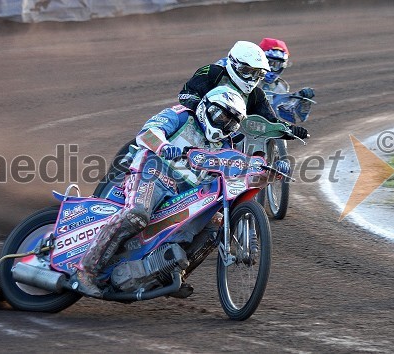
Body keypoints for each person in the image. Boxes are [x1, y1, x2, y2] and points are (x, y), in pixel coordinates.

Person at [73, 86, 280, 297]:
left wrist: (270, 169)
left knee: (216, 226)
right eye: (219, 115)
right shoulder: (181, 116)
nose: (223, 123)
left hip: (184, 193)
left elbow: (236, 170)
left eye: (230, 122)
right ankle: (86, 271)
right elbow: (147, 133)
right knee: (137, 215)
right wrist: (163, 146)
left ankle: (170, 274)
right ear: (205, 107)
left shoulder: (226, 145)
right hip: (153, 170)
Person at [178, 40, 308, 139]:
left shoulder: (257, 94)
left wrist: (291, 130)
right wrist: (205, 110)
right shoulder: (213, 72)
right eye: (248, 71)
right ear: (235, 64)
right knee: (178, 116)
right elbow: (186, 94)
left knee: (247, 140)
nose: (252, 78)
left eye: (258, 74)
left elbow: (271, 121)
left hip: (225, 138)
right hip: (193, 125)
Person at [259, 37, 315, 124]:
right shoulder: (247, 80)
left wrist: (303, 101)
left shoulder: (280, 88)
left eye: (277, 65)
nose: (272, 68)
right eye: (269, 63)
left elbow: (292, 118)